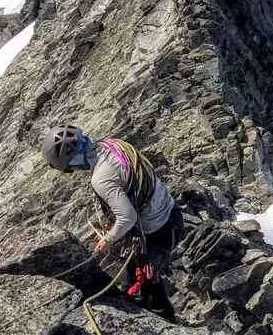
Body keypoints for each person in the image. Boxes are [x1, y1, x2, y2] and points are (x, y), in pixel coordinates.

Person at [42, 125, 183, 320]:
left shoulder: (101, 177)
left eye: (69, 168)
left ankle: (165, 327)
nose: (73, 171)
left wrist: (108, 239)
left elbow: (128, 217)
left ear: (74, 159)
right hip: (171, 213)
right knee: (137, 276)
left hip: (157, 231)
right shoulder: (111, 144)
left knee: (148, 288)